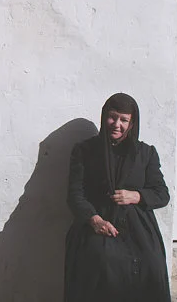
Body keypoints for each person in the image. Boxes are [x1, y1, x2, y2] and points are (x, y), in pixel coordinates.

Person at [64, 93, 171, 302]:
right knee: (103, 264)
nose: (117, 124)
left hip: (138, 230)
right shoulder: (85, 151)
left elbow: (162, 193)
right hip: (97, 224)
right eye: (113, 117)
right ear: (104, 117)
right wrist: (94, 220)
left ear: (132, 124)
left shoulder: (146, 153)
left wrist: (137, 196)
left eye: (124, 120)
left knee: (151, 263)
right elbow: (75, 193)